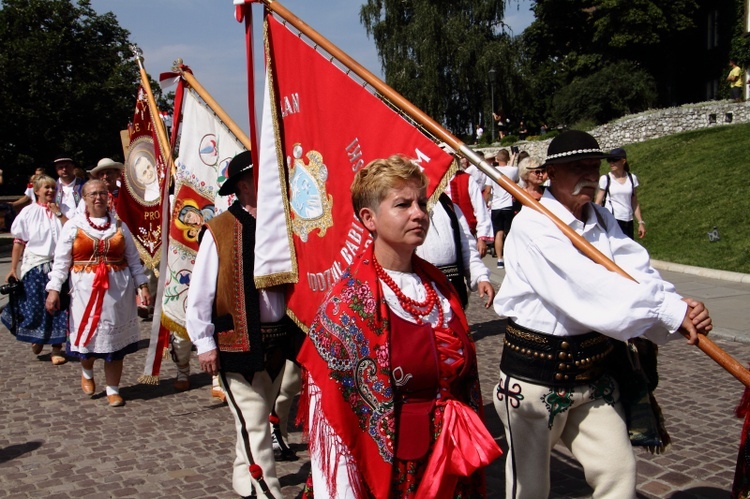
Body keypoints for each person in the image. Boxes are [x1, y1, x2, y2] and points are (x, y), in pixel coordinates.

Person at [492, 130, 712, 499]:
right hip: (534, 378)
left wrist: (677, 303)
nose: (589, 175)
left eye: (593, 166)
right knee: (529, 487)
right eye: (577, 167)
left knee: (618, 471)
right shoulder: (532, 226)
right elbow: (589, 289)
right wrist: (666, 311)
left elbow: (633, 269)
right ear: (550, 173)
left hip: (594, 375)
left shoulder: (600, 217)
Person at [298, 154, 501, 498]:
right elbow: (335, 420)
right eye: (402, 204)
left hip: (454, 459)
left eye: (422, 202)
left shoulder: (440, 288)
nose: (419, 213)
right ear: (369, 218)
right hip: (398, 474)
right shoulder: (347, 306)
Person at [186, 150, 296, 498]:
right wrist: (204, 342)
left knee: (255, 419)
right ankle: (268, 491)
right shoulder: (219, 229)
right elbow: (201, 290)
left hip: (279, 343)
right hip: (238, 344)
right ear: (245, 185)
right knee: (255, 422)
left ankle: (241, 477)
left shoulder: (283, 223)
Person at [45, 179, 152, 407]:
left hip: (117, 293)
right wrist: (54, 290)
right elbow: (61, 262)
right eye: (93, 193)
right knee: (90, 337)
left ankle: (113, 389)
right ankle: (87, 371)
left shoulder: (120, 226)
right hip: (85, 292)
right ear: (84, 198)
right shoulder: (73, 226)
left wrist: (142, 285)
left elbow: (133, 259)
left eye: (102, 193)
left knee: (115, 344)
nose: (98, 197)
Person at [1, 175, 68, 364]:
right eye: (46, 187)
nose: (50, 191)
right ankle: (37, 338)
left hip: (59, 266)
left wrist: (58, 213)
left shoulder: (62, 211)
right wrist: (13, 268)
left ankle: (57, 349)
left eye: (53, 188)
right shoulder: (28, 212)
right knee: (37, 305)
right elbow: (19, 242)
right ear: (37, 191)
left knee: (59, 306)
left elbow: (73, 231)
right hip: (36, 265)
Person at [594, 147, 646, 239]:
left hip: (628, 220)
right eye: (609, 160)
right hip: (611, 219)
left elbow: (634, 202)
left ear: (623, 161)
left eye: (614, 160)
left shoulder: (631, 178)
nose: (611, 163)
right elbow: (598, 202)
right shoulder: (606, 179)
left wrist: (640, 222)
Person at [487, 149, 519, 268]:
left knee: (498, 233)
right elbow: (514, 180)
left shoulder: (492, 171)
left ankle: (500, 259)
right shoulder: (513, 170)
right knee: (510, 233)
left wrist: (485, 203)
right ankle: (511, 257)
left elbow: (488, 190)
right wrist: (514, 157)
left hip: (496, 205)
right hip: (508, 205)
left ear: (497, 159)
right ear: (507, 158)